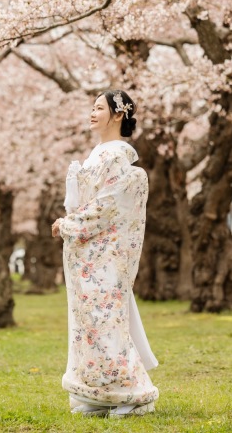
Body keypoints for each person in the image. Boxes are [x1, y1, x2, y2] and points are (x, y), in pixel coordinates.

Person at [52, 89, 159, 419]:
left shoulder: (117, 156)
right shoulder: (98, 154)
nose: (92, 112)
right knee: (89, 323)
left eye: (99, 107)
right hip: (87, 253)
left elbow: (107, 205)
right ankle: (100, 393)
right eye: (92, 107)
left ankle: (133, 391)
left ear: (118, 115)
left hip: (106, 252)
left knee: (106, 321)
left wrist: (68, 224)